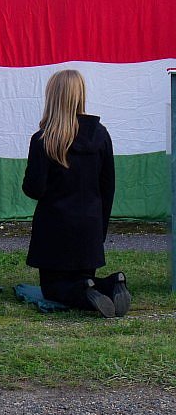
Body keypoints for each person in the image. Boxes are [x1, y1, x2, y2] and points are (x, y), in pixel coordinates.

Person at [22, 69, 130, 318]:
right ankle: (112, 283)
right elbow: (108, 188)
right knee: (83, 279)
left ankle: (88, 293)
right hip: (89, 230)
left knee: (53, 291)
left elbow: (34, 189)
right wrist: (99, 231)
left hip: (54, 232)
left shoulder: (44, 139)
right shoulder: (100, 134)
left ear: (52, 97)